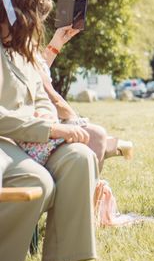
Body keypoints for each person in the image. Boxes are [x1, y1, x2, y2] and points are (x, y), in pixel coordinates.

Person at [0, 0, 99, 261]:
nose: (39, 26)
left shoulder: (22, 47)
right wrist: (51, 131)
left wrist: (52, 120)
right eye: (37, 17)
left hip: (27, 140)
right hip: (6, 138)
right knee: (37, 181)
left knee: (81, 158)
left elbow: (39, 94)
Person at [18, 25, 133, 170]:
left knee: (94, 134)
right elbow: (53, 97)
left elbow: (41, 66)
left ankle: (111, 146)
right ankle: (95, 183)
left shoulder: (17, 45)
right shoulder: (20, 49)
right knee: (96, 135)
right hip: (32, 134)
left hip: (32, 129)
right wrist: (76, 120)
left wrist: (57, 41)